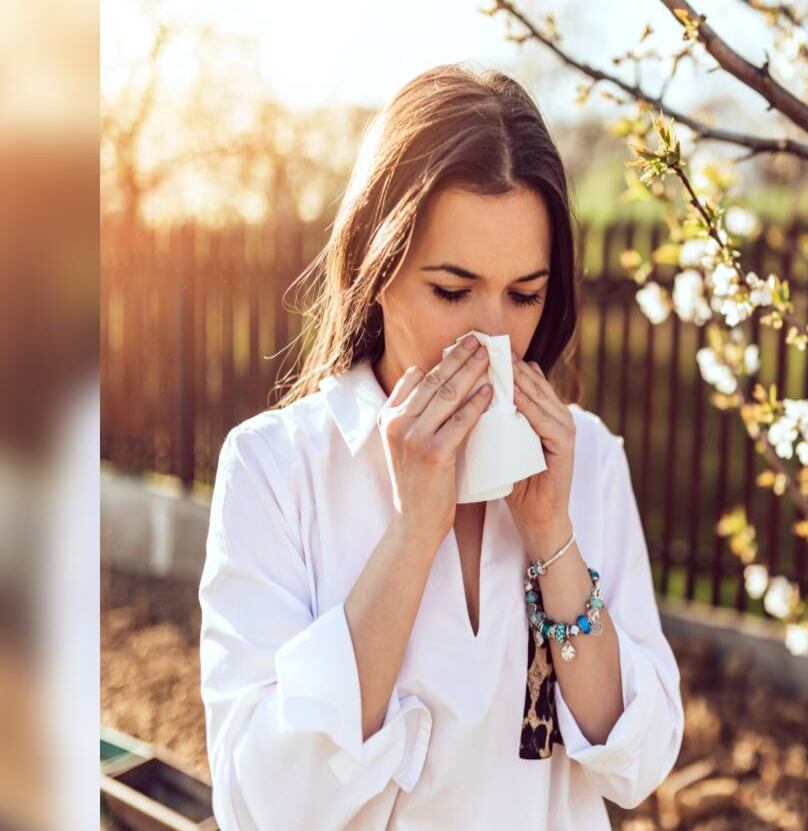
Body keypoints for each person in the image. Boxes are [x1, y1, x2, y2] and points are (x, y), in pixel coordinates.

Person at [197, 64, 684, 830]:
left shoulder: (585, 457)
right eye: (454, 291)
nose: (493, 335)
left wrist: (552, 536)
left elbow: (641, 763)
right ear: (374, 269)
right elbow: (261, 807)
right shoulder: (276, 467)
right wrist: (415, 530)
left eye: (525, 294)